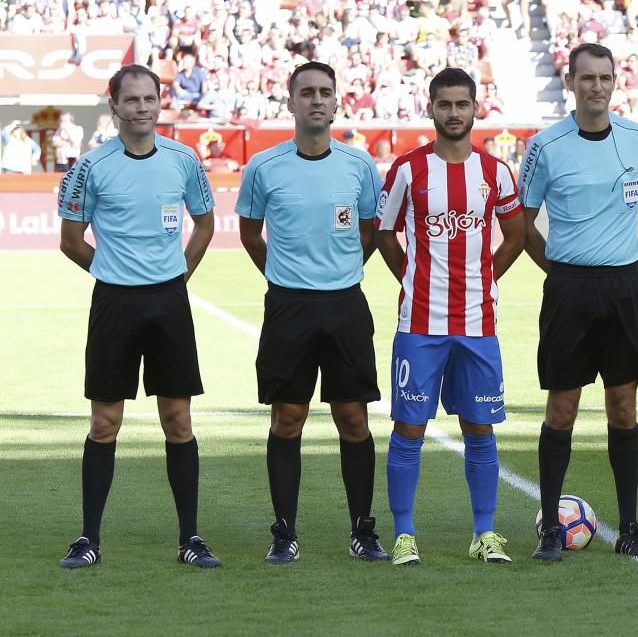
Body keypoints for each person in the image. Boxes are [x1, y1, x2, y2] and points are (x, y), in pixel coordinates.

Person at [55, 64, 219, 569]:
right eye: (132, 100)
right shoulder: (91, 165)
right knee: (105, 423)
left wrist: (178, 277)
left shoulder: (183, 160)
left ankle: (189, 538)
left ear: (159, 103)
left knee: (178, 420)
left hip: (169, 302)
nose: (142, 107)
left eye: (150, 98)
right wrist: (111, 273)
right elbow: (69, 239)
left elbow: (205, 223)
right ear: (115, 107)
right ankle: (88, 540)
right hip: (114, 304)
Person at [236, 61, 388, 565]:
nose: (316, 100)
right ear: (291, 100)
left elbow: (370, 233)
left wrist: (337, 272)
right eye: (307, 92)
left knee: (353, 417)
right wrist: (283, 277)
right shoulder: (264, 166)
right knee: (288, 418)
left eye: (325, 91)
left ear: (337, 100)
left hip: (344, 305)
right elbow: (250, 234)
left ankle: (362, 530)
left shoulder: (360, 166)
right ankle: (284, 532)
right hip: (288, 306)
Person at [375, 67, 526, 566]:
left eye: (463, 104)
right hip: (419, 326)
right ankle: (404, 535)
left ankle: (485, 533)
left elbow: (516, 235)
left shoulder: (496, 172)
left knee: (479, 428)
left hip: (478, 325)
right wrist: (411, 279)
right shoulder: (407, 170)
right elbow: (384, 234)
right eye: (446, 105)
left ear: (476, 108)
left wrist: (486, 279)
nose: (454, 113)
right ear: (431, 108)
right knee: (409, 428)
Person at [519, 43, 638, 562]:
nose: (596, 86)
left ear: (615, 80)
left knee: (623, 407)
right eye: (587, 78)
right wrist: (558, 270)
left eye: (605, 77)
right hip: (570, 291)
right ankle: (550, 530)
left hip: (625, 287)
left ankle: (630, 527)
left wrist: (629, 252)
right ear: (571, 82)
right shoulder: (545, 146)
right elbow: (523, 220)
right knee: (562, 407)